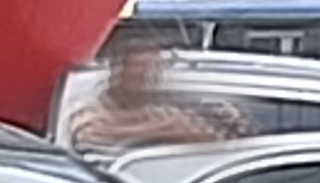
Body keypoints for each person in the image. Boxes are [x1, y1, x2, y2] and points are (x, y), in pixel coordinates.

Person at [64, 34, 245, 156]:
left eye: (153, 70)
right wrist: (159, 129)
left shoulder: (156, 109)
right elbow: (86, 134)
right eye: (140, 71)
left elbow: (208, 137)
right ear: (118, 71)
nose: (148, 78)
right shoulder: (91, 107)